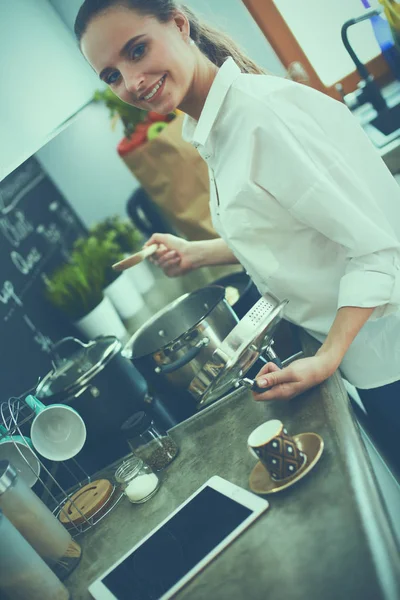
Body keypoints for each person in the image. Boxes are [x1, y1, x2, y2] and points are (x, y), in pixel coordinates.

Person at [75, 0, 400, 465]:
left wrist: (327, 357)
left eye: (137, 50)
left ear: (180, 25)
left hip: (390, 355)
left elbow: (375, 250)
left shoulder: (259, 118)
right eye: (110, 75)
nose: (132, 81)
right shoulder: (219, 127)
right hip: (371, 360)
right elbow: (289, 230)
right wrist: (196, 253)